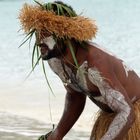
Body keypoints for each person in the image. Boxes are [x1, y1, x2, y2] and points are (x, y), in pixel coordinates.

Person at [19, 1, 140, 140]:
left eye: (44, 33)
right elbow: (75, 95)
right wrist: (57, 134)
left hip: (133, 117)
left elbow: (127, 112)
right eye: (37, 33)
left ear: (64, 33)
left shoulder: (95, 63)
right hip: (111, 117)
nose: (38, 41)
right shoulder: (55, 60)